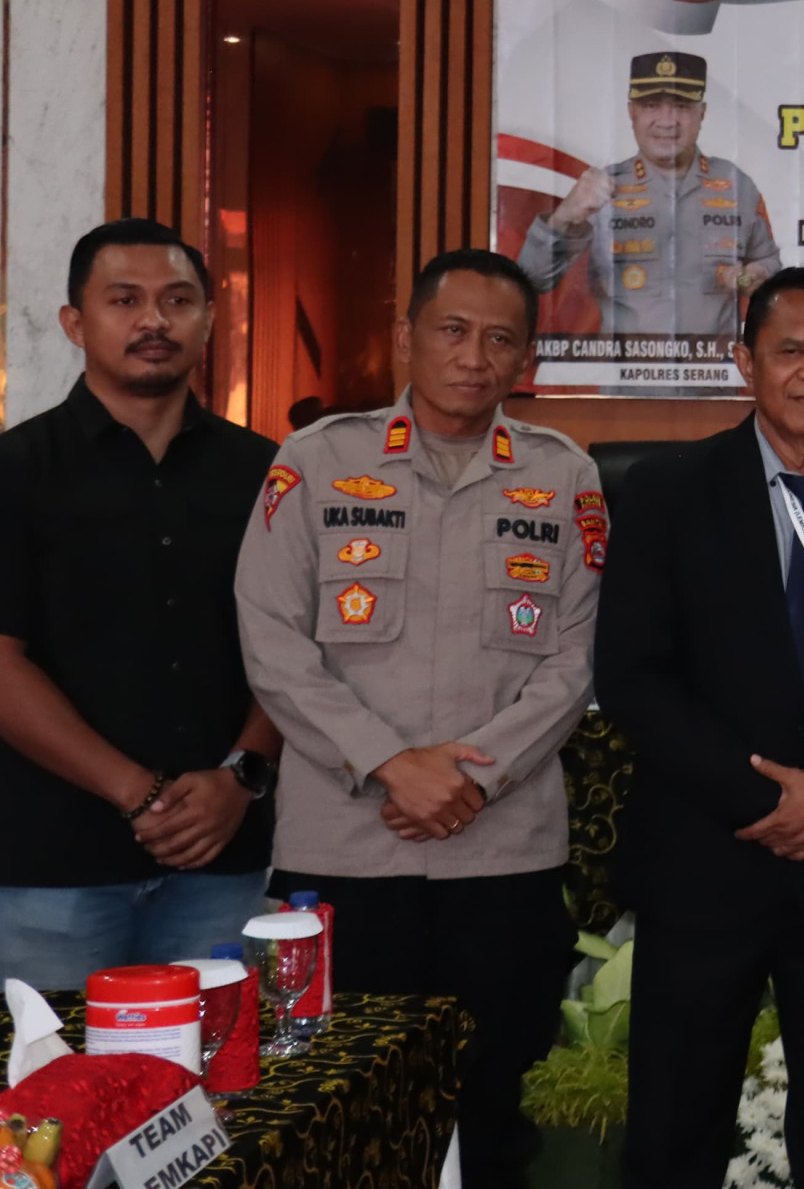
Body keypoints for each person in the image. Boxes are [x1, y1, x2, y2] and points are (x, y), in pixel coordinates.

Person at [236, 249, 601, 1189]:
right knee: (334, 1109)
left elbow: (576, 659)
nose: (474, 357)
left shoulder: (565, 475)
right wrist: (392, 764)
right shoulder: (316, 460)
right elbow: (271, 639)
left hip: (502, 853)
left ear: (526, 358)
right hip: (345, 852)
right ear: (407, 336)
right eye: (452, 330)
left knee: (494, 1109)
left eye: (500, 339)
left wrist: (471, 777)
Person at [599, 266, 804, 1189]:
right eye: (791, 350)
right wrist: (760, 798)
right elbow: (632, 675)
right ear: (744, 360)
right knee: (676, 1129)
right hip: (705, 862)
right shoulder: (667, 493)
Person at [0, 219, 281, 985]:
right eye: (125, 300)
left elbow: (296, 650)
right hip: (52, 869)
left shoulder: (266, 473)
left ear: (208, 320)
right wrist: (138, 793)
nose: (154, 320)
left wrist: (241, 776)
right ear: (74, 322)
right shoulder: (17, 471)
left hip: (221, 856)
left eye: (177, 301)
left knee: (217, 1065)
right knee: (54, 1065)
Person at [517, 51, 782, 345]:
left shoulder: (736, 184)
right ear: (632, 112)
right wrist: (564, 217)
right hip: (624, 368)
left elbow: (768, 261)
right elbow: (532, 278)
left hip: (714, 367)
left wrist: (753, 276)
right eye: (651, 105)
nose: (667, 122)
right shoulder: (599, 190)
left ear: (702, 113)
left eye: (681, 106)